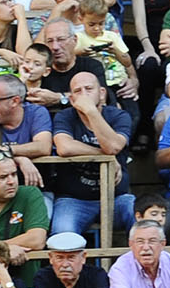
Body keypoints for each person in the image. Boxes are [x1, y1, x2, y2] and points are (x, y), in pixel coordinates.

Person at [49, 71, 131, 238]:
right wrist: (107, 157)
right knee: (62, 236)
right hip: (74, 200)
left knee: (140, 217)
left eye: (89, 89)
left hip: (116, 198)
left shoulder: (119, 116)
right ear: (71, 99)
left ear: (102, 93)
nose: (84, 95)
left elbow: (114, 146)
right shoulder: (64, 117)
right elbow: (64, 147)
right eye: (78, 91)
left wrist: (92, 112)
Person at [30, 231, 112, 288]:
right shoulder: (44, 275)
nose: (65, 265)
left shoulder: (96, 274)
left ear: (83, 257)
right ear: (50, 258)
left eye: (71, 257)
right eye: (59, 258)